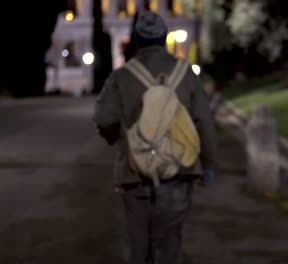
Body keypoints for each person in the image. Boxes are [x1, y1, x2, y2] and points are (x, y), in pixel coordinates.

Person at [93, 11, 218, 264]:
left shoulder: (122, 76)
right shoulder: (185, 73)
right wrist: (210, 163)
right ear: (164, 39)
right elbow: (203, 120)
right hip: (177, 171)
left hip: (134, 172)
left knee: (138, 244)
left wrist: (118, 138)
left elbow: (104, 119)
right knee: (169, 242)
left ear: (137, 41)